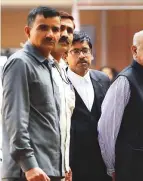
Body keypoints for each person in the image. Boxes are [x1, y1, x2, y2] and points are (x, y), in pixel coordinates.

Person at [98, 29, 143, 181]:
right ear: (134, 50)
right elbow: (106, 130)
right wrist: (111, 168)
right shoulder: (125, 81)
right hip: (133, 171)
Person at [2, 6, 63, 181]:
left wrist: (62, 165)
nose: (51, 34)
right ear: (28, 31)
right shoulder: (20, 63)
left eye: (55, 29)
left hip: (49, 169)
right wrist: (29, 165)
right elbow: (14, 119)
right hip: (28, 172)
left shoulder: (48, 66)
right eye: (43, 28)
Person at [66, 31, 111, 181]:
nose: (81, 55)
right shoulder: (60, 82)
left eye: (85, 50)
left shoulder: (103, 79)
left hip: (101, 161)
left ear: (91, 54)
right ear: (66, 56)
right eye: (75, 51)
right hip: (72, 162)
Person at [49, 11, 76, 181]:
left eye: (70, 31)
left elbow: (64, 125)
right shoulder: (30, 67)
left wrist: (65, 165)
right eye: (61, 29)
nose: (65, 34)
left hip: (59, 170)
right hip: (35, 169)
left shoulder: (65, 72)